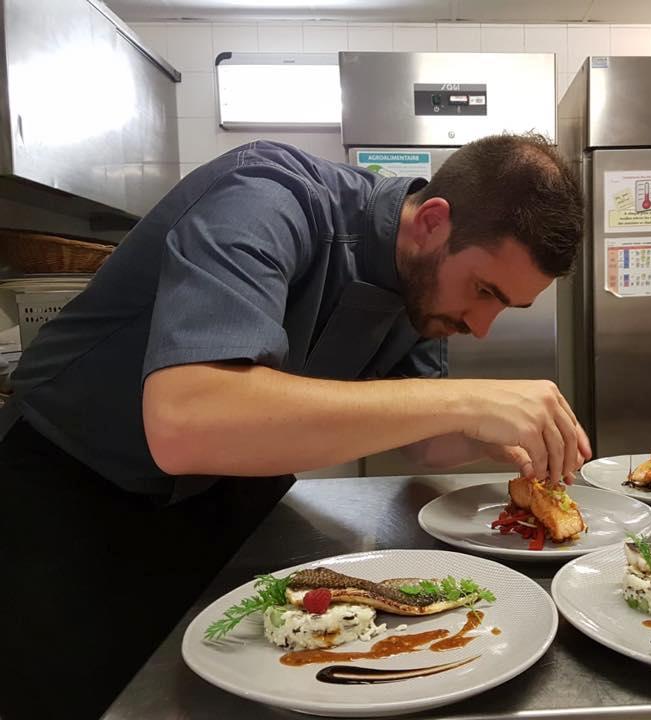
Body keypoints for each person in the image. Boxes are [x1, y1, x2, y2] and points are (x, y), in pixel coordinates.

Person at [0, 133, 590, 719]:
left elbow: (424, 438)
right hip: (66, 484)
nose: (480, 325)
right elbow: (186, 421)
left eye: (503, 306)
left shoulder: (424, 292)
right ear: (432, 222)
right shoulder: (267, 193)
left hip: (223, 499)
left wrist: (499, 438)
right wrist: (468, 402)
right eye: (484, 291)